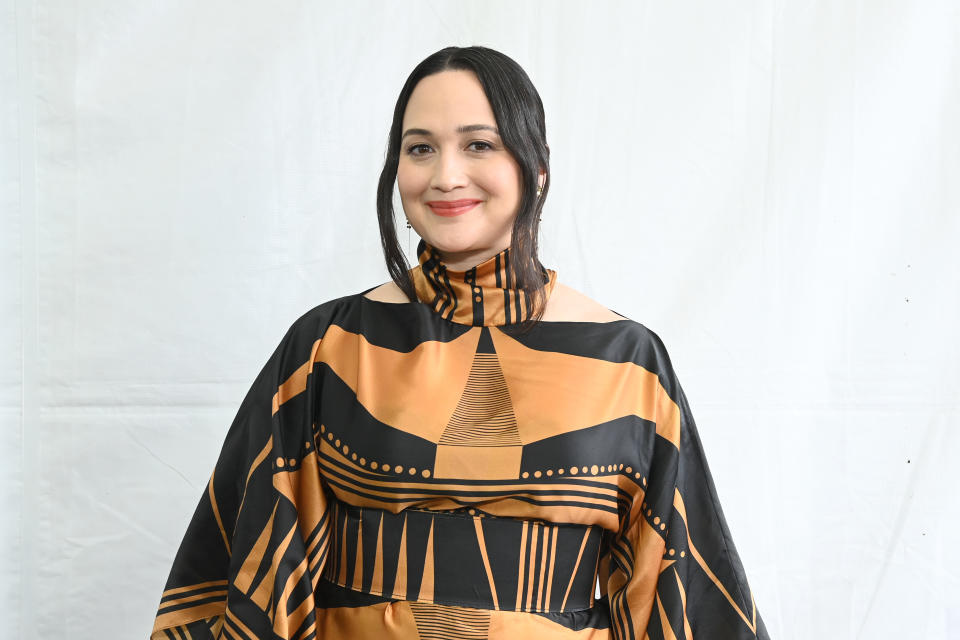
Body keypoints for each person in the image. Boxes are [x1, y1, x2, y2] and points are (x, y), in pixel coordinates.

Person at [151, 45, 770, 640]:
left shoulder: (626, 362)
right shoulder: (330, 348)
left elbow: (677, 590)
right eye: (420, 148)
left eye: (479, 144)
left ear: (536, 165)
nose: (446, 175)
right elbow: (251, 576)